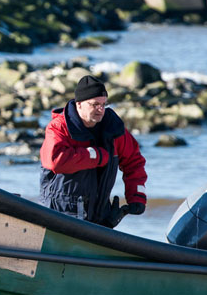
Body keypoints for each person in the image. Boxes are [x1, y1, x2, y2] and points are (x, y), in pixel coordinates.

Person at [39, 75, 147, 228]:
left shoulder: (114, 129)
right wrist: (96, 156)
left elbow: (134, 162)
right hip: (58, 216)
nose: (100, 109)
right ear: (79, 104)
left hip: (100, 218)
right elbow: (55, 160)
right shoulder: (59, 127)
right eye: (95, 104)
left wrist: (137, 196)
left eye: (104, 104)